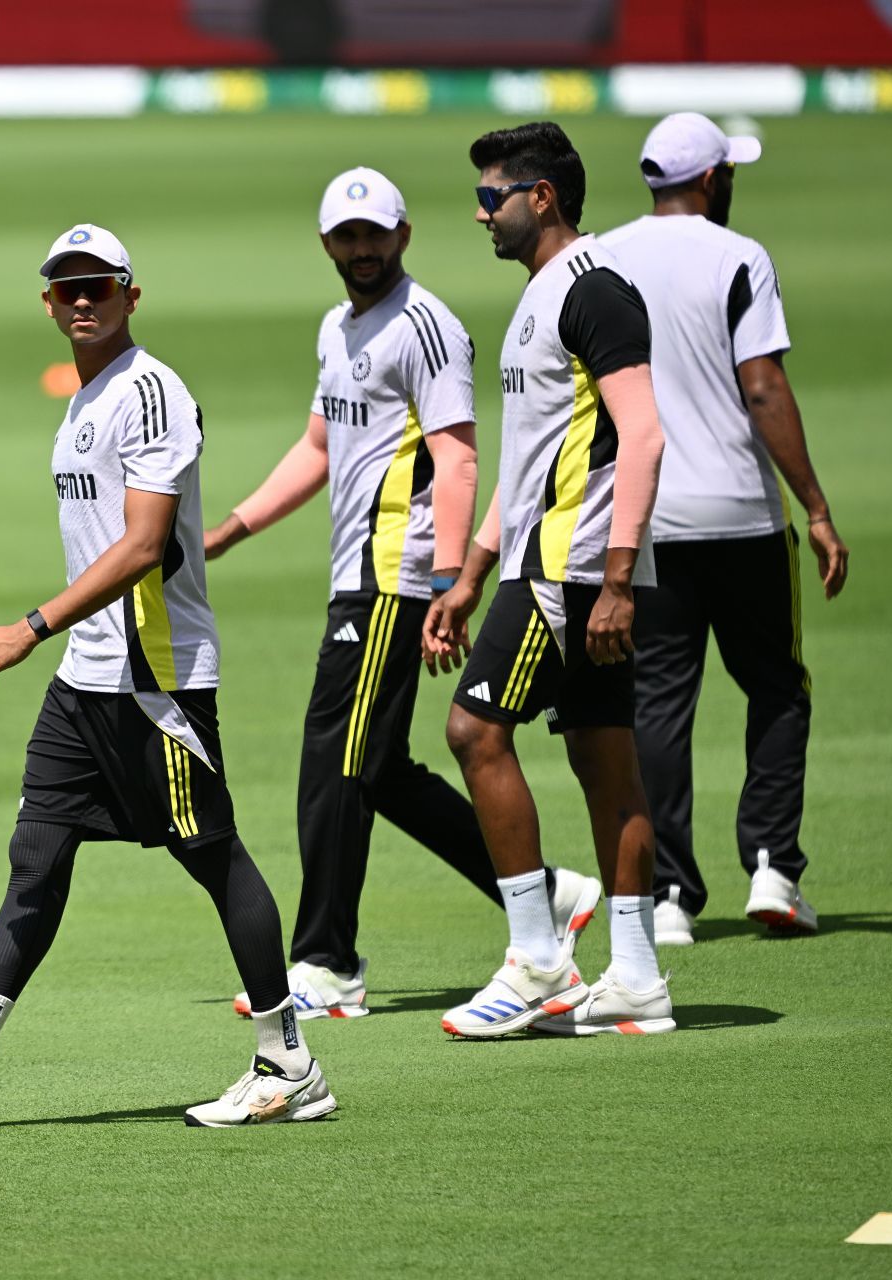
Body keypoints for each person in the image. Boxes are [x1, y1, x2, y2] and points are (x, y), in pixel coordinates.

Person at [0, 225, 335, 1128]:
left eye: (99, 286)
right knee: (37, 859)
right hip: (87, 679)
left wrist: (31, 626)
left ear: (131, 296)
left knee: (211, 853)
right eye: (66, 288)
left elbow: (144, 545)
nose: (82, 301)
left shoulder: (149, 393)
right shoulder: (84, 396)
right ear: (47, 301)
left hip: (156, 677)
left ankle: (287, 1062)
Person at [205, 168, 600, 1019]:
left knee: (332, 762)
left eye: (375, 235)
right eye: (346, 237)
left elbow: (458, 455)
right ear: (326, 243)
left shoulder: (425, 326)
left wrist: (451, 580)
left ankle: (325, 963)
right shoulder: (339, 328)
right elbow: (319, 447)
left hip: (396, 578)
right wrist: (231, 529)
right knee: (376, 768)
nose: (362, 252)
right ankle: (549, 891)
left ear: (404, 236)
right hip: (358, 573)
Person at [425, 121, 673, 1036]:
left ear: (543, 198)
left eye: (493, 197)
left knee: (473, 731)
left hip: (570, 568)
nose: (480, 212)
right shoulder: (542, 295)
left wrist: (614, 580)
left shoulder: (593, 290)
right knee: (604, 758)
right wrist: (464, 578)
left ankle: (534, 959)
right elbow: (529, 465)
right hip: (549, 559)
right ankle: (637, 979)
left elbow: (641, 434)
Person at [598, 113, 848, 947]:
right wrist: (814, 505)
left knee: (661, 703)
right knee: (777, 685)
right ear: (710, 180)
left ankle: (670, 897)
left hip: (648, 519)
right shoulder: (739, 257)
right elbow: (764, 388)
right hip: (741, 513)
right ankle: (773, 867)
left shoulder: (607, 255)